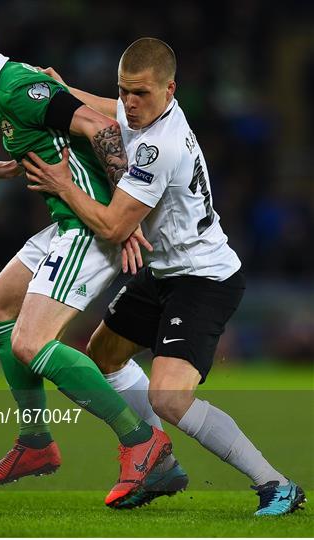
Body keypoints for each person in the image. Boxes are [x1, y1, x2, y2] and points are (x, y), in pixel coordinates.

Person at [23, 38, 306, 516]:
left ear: (170, 89)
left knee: (170, 397)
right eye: (125, 91)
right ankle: (159, 461)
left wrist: (63, 186)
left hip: (203, 279)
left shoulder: (159, 146)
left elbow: (115, 226)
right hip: (162, 272)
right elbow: (108, 109)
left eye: (141, 94)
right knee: (104, 356)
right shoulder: (145, 113)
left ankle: (276, 484)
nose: (130, 103)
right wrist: (65, 90)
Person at [0, 14, 176, 508]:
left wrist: (123, 211)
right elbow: (64, 139)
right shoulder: (7, 94)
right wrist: (13, 166)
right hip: (64, 223)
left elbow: (99, 126)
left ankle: (141, 441)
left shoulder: (17, 86)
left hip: (88, 227)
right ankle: (35, 443)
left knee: (30, 343)